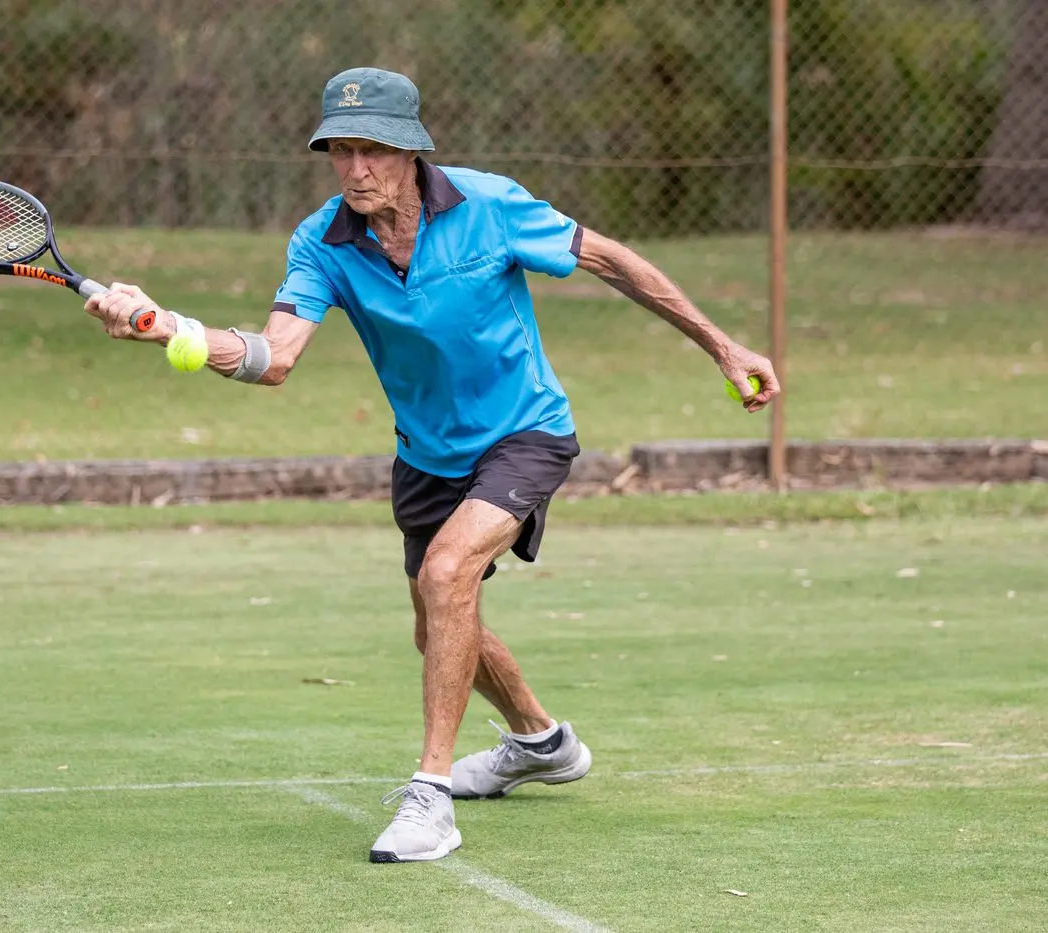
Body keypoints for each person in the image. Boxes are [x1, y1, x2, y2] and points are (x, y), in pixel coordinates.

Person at [85, 67, 780, 863]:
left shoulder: (488, 206)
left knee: (446, 574)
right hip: (425, 455)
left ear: (411, 150)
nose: (355, 169)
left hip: (524, 431)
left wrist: (722, 346)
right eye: (339, 151)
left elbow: (610, 260)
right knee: (437, 622)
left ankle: (430, 794)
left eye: (372, 150)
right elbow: (274, 357)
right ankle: (541, 743)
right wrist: (166, 326)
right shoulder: (324, 241)